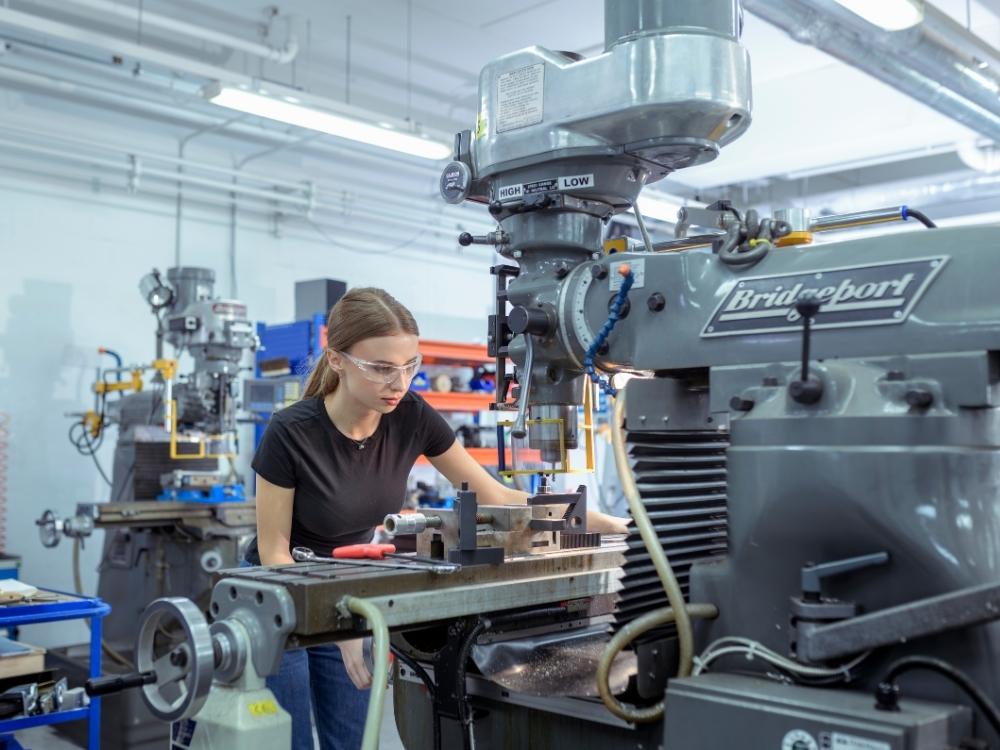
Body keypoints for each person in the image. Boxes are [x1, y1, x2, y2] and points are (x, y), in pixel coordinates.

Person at [244, 287, 628, 750]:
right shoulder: (291, 432)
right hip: (280, 594)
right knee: (285, 740)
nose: (398, 383)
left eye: (410, 367)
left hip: (346, 586)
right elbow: (273, 553)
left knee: (349, 740)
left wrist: (609, 524)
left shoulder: (410, 416)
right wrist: (330, 624)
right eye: (382, 368)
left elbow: (498, 496)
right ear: (338, 360)